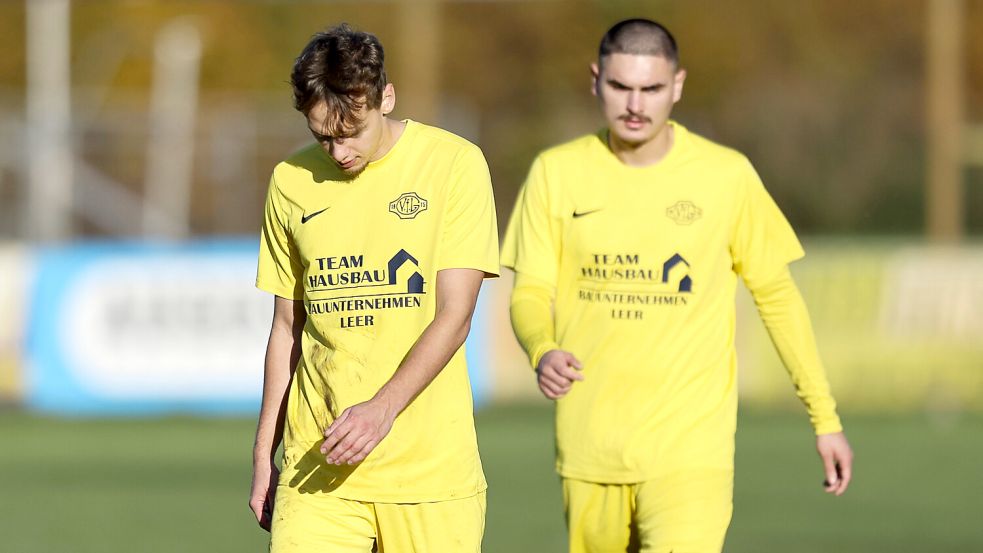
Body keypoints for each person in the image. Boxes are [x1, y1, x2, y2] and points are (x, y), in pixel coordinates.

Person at [502, 18, 853, 553]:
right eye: (620, 86)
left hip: (691, 452)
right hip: (589, 448)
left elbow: (777, 298)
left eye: (652, 88)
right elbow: (530, 291)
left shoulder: (726, 175)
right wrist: (541, 349)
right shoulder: (557, 172)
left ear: (678, 86)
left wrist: (823, 417)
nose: (635, 104)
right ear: (595, 79)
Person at [248, 23, 499, 553]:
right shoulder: (290, 181)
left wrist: (381, 409)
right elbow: (286, 330)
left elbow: (456, 316)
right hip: (315, 472)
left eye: (351, 132)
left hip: (430, 478)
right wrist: (263, 454)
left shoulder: (454, 164)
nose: (338, 152)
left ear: (385, 97)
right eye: (323, 136)